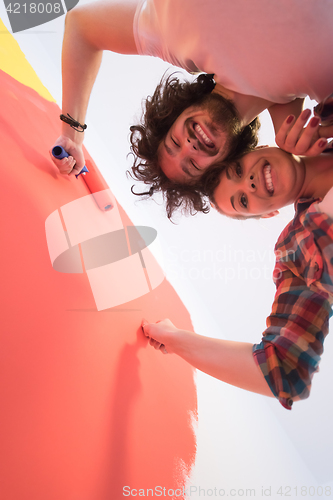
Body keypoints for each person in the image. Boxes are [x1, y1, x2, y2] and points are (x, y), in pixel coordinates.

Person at [51, 0, 333, 217]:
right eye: (194, 164)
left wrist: (72, 135)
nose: (189, 147)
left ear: (175, 114)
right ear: (229, 160)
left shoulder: (177, 35)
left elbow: (82, 27)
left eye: (174, 142)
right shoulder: (319, 96)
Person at [142, 122, 333, 410]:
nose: (250, 184)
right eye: (243, 200)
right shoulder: (299, 247)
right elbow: (285, 372)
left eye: (238, 171)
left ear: (261, 147)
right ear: (268, 215)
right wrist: (176, 339)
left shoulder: (321, 116)